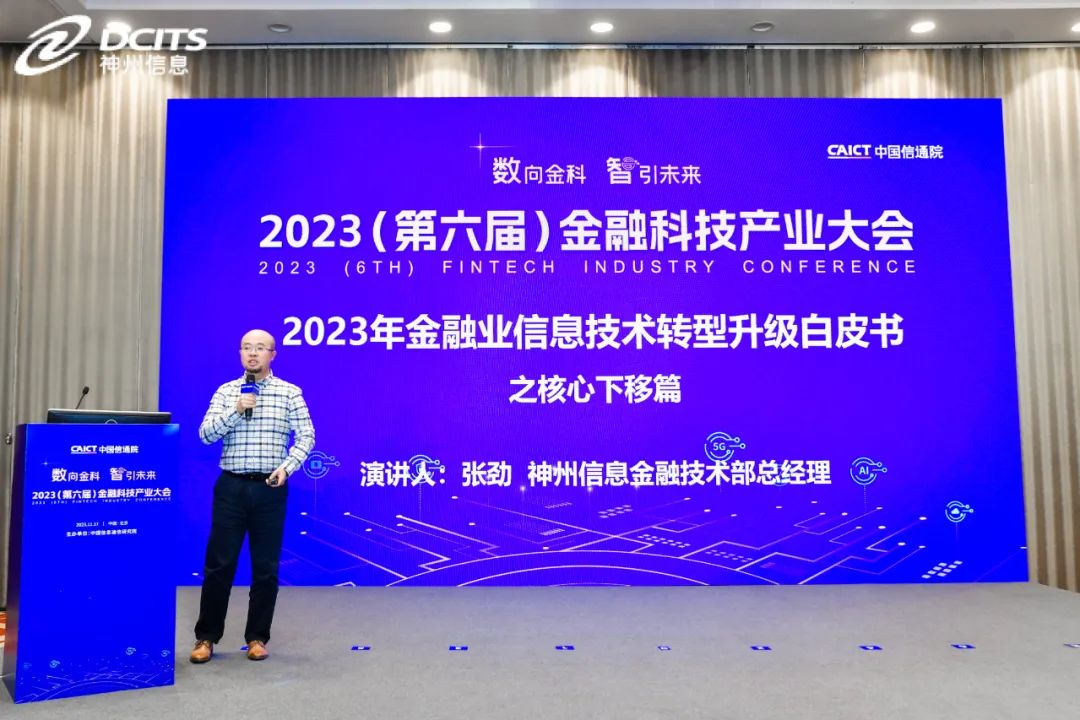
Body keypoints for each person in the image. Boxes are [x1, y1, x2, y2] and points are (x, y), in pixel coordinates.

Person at [190, 329, 315, 663]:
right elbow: (205, 435)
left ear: (273, 354)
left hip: (269, 488)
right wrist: (236, 409)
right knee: (219, 565)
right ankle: (206, 638)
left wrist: (287, 467)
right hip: (231, 487)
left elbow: (306, 436)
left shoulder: (289, 393)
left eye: (260, 348)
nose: (252, 353)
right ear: (240, 354)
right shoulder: (226, 392)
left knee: (265, 568)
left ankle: (257, 637)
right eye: (246, 347)